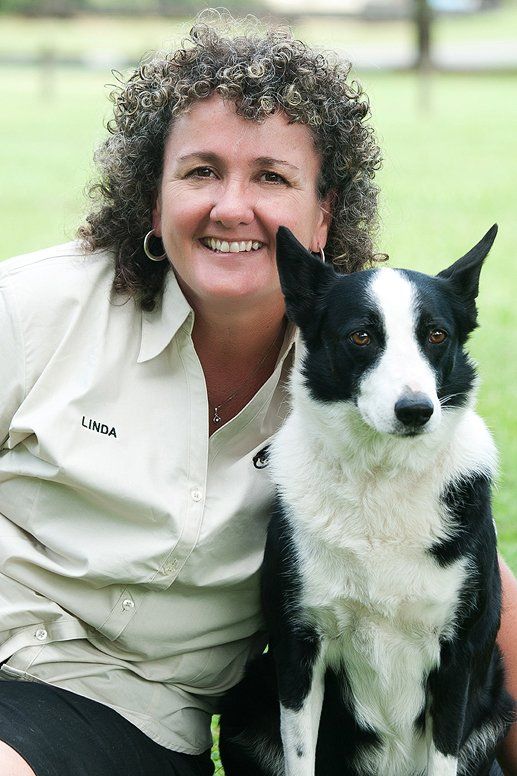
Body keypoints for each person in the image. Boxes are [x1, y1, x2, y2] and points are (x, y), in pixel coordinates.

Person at [0, 11, 515, 776]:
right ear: (154, 194)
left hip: (124, 714)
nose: (231, 207)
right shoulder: (31, 309)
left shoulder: (359, 385)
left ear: (322, 214)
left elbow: (465, 582)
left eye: (271, 176)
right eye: (200, 171)